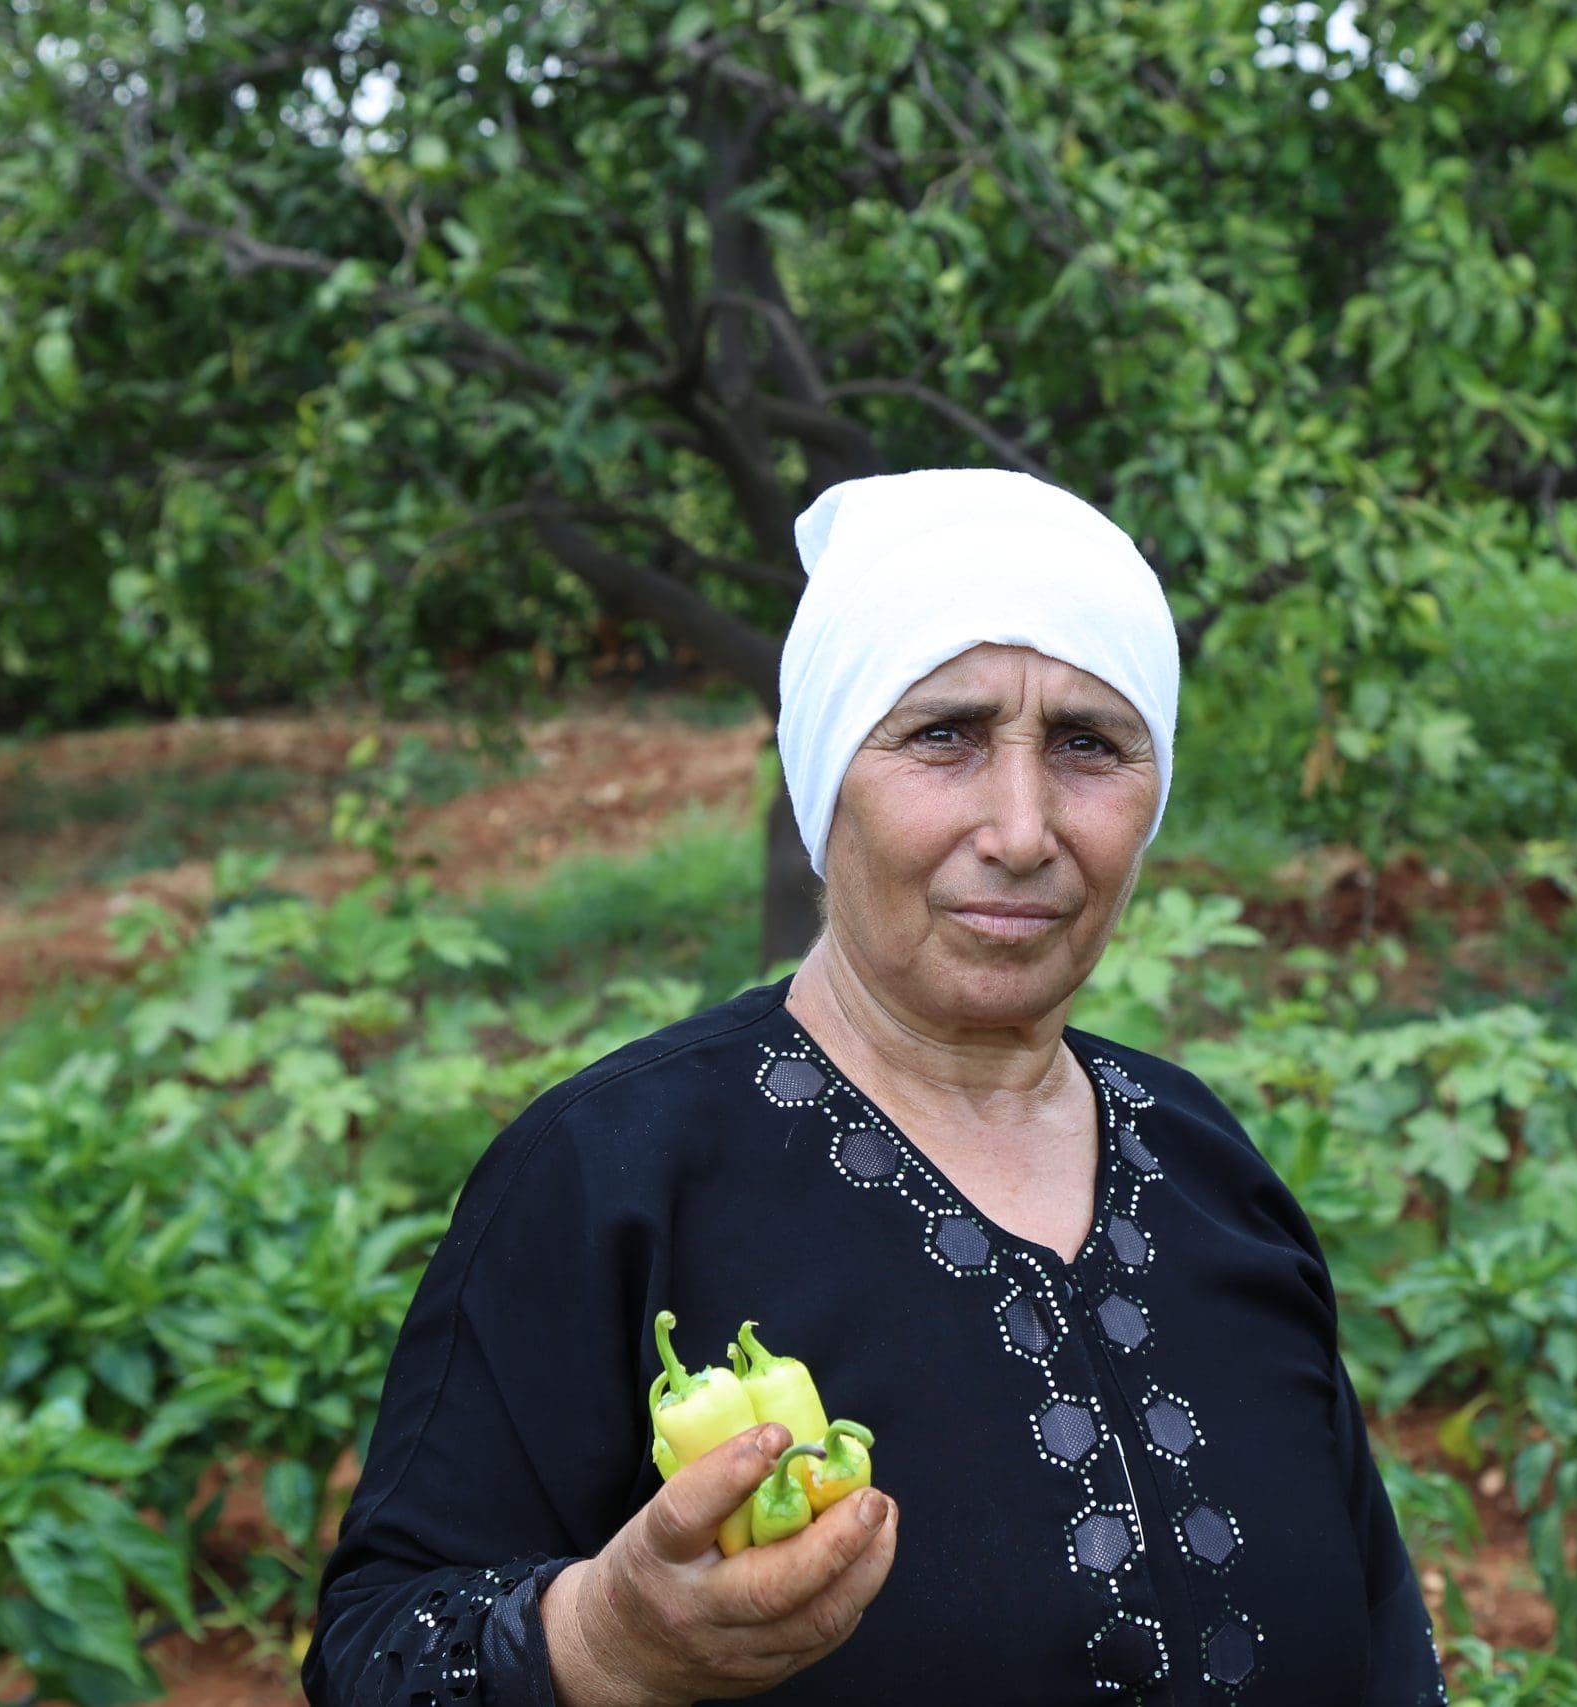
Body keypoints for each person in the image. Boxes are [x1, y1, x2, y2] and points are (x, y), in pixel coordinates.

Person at [303, 469, 1447, 1705]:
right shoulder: (610, 1176)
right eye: (943, 736)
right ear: (824, 771)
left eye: (1087, 745)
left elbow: (1382, 1643)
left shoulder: (1205, 1161)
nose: (1021, 828)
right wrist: (601, 1641)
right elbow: (375, 1650)